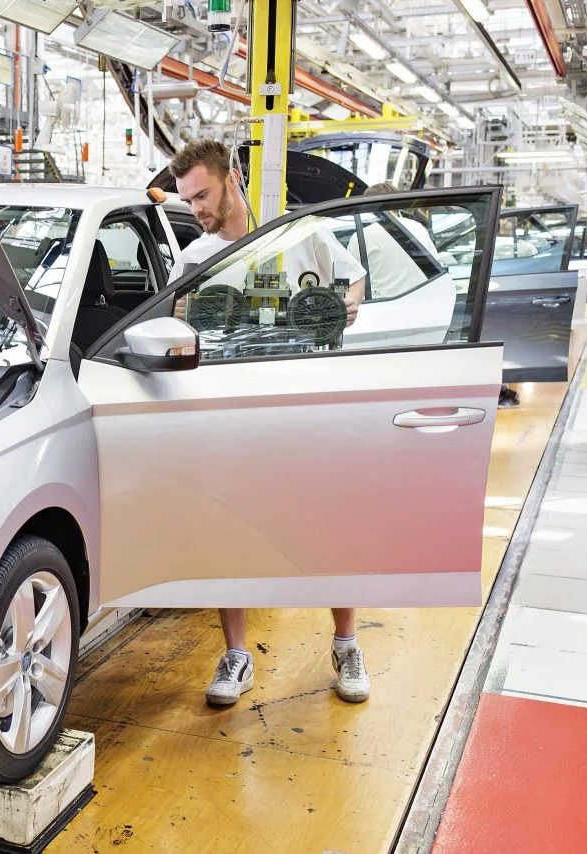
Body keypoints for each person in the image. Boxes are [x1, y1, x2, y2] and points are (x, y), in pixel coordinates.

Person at [168, 139, 371, 706]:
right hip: (234, 417)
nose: (198, 210)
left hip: (310, 409)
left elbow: (354, 280)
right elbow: (180, 331)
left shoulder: (302, 235)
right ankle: (237, 656)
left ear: (233, 177)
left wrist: (347, 303)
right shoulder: (193, 259)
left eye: (203, 195)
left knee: (332, 529)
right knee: (231, 532)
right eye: (188, 202)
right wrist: (183, 316)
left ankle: (347, 644)